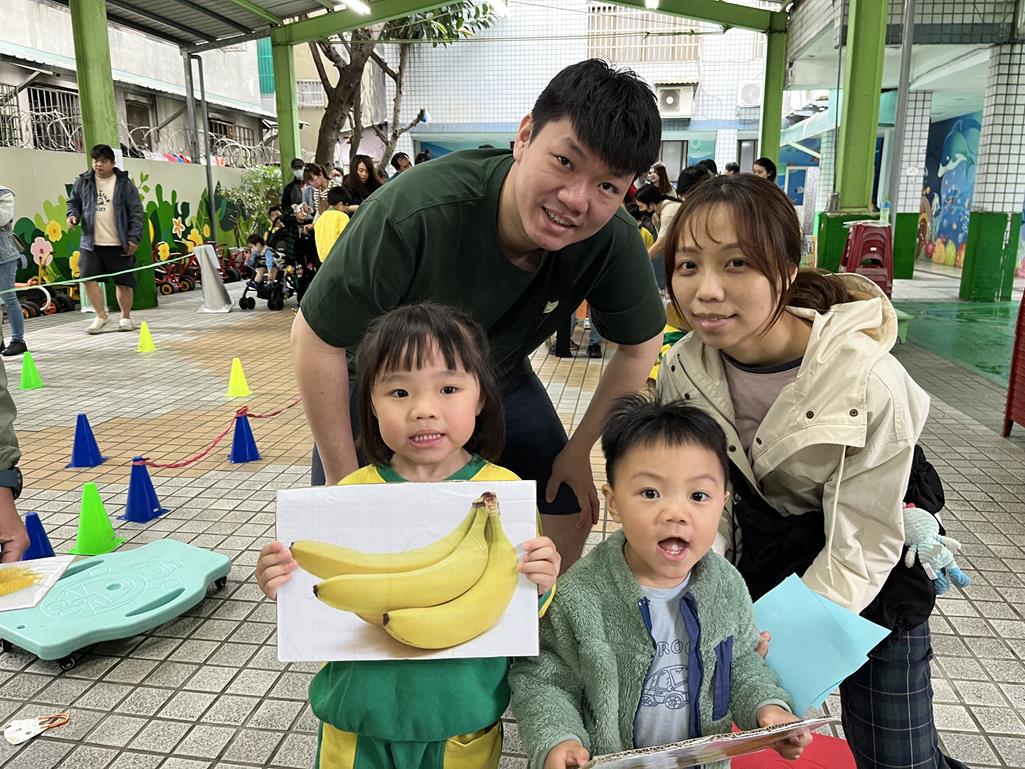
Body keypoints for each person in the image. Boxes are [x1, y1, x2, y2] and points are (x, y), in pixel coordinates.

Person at [294, 59, 665, 571]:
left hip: (499, 373)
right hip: (381, 380)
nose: (576, 200)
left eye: (608, 186)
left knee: (568, 501)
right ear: (525, 136)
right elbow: (315, 339)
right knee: (349, 532)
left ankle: (538, 614)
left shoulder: (611, 240)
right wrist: (342, 481)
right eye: (564, 161)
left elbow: (642, 346)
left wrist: (579, 450)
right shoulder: (416, 211)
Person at [656, 174, 967, 769]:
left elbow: (864, 539)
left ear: (786, 268)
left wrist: (793, 642)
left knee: (898, 756)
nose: (706, 291)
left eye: (737, 263)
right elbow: (702, 503)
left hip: (870, 574)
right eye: (688, 265)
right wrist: (709, 606)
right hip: (764, 561)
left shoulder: (870, 379)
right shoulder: (682, 369)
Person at [256, 303, 560, 769]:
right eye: (399, 391)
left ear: (480, 398)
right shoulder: (348, 496)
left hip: (460, 722)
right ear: (371, 403)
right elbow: (317, 594)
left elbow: (521, 604)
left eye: (448, 388)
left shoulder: (504, 495)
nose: (423, 410)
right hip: (356, 722)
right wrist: (279, 578)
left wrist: (542, 581)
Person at [508, 394, 809, 769]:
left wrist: (769, 708)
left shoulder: (727, 586)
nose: (675, 513)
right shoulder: (580, 596)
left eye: (698, 495)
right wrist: (559, 739)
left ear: (722, 503)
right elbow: (544, 679)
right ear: (614, 502)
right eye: (650, 493)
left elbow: (742, 664)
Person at [66, 144, 143, 334]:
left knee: (123, 282)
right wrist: (72, 215)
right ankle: (101, 316)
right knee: (88, 279)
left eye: (103, 161)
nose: (98, 165)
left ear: (112, 163)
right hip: (90, 244)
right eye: (95, 161)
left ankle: (125, 317)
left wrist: (133, 237)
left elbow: (136, 212)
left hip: (119, 243)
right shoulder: (83, 181)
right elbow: (73, 203)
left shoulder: (124, 184)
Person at [635, 184, 681, 291]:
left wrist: (641, 259)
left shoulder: (669, 212)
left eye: (641, 206)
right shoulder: (656, 216)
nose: (640, 210)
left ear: (651, 204)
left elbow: (661, 243)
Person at [0, 185, 27, 356]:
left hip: (5, 257)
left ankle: (18, 340)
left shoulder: (4, 194)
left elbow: (3, 218)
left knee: (9, 298)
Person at [314, 187, 350, 263]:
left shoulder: (319, 220)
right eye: (346, 205)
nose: (347, 209)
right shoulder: (342, 217)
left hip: (324, 262)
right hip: (340, 259)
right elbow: (347, 240)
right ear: (340, 204)